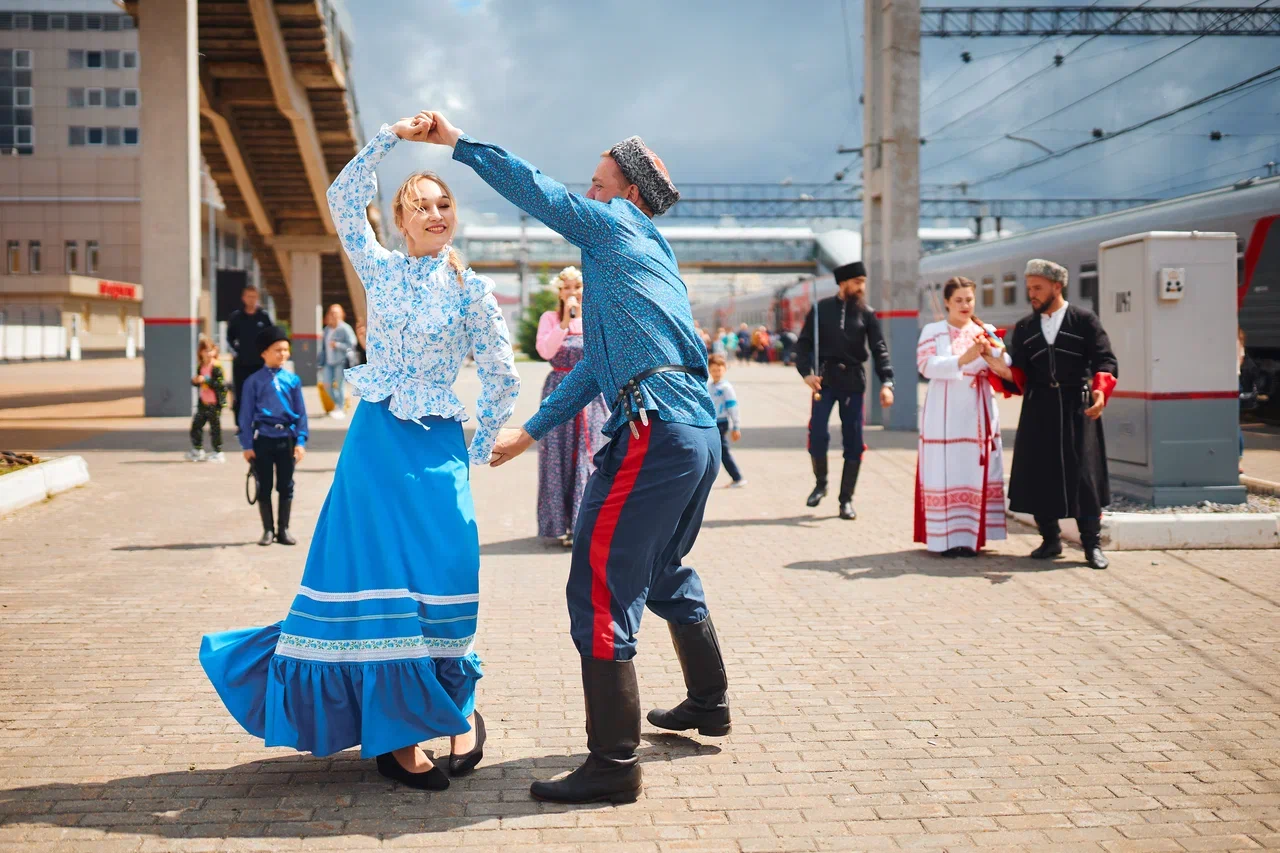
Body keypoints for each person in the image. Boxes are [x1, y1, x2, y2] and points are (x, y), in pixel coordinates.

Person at [200, 112, 519, 792]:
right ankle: (401, 740)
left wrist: (485, 442)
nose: (435, 214)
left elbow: (502, 371)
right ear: (401, 220)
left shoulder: (473, 290)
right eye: (421, 205)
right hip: (375, 447)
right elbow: (343, 199)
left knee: (446, 574)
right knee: (376, 585)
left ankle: (444, 703)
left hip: (436, 450)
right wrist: (388, 139)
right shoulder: (378, 268)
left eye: (443, 204)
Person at [421, 109, 729, 805]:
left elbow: (537, 191)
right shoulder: (645, 254)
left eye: (597, 183)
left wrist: (458, 144)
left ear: (627, 194)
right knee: (662, 566)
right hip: (695, 429)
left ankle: (613, 764)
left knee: (598, 583)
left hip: (655, 427)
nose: (585, 195)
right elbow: (593, 367)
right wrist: (530, 432)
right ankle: (709, 700)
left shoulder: (615, 225)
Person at [1004, 259, 1118, 571]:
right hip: (1039, 406)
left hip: (1076, 407)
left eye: (1037, 288)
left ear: (1057, 286)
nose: (1032, 294)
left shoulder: (1084, 320)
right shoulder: (1025, 327)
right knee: (1041, 473)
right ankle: (1050, 539)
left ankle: (1091, 545)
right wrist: (994, 361)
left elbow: (1105, 360)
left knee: (1084, 476)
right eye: (1029, 289)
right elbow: (1017, 373)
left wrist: (1100, 391)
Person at [914, 277, 1012, 557]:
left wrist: (995, 353)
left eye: (969, 299)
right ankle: (945, 538)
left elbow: (1006, 364)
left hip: (977, 409)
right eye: (958, 300)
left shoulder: (985, 329)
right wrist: (963, 359)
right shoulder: (934, 331)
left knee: (974, 469)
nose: (965, 305)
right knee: (946, 470)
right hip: (943, 413)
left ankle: (972, 538)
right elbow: (925, 366)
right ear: (946, 302)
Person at [794, 261, 894, 521]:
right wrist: (806, 373)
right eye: (857, 282)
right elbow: (803, 345)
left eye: (863, 281)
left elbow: (879, 349)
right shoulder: (820, 310)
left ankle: (846, 500)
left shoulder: (867, 314)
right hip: (824, 381)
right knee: (816, 433)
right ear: (843, 282)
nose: (862, 286)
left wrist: (887, 382)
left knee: (853, 441)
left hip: (852, 382)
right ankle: (821, 484)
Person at [535, 265, 609, 546]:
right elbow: (545, 352)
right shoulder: (550, 318)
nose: (572, 293)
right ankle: (560, 525)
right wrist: (564, 322)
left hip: (590, 392)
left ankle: (585, 524)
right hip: (559, 388)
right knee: (558, 456)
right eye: (566, 288)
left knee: (590, 454)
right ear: (560, 291)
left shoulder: (594, 317)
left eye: (576, 287)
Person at [236, 326, 308, 547]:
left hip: (286, 438)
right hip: (263, 440)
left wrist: (301, 441)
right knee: (264, 485)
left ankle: (283, 529)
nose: (283, 354)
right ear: (264, 353)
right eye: (277, 350)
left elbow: (301, 413)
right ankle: (268, 530)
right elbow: (245, 415)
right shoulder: (253, 382)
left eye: (285, 350)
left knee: (286, 485)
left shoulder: (293, 380)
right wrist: (247, 445)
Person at [226, 284, 273, 429]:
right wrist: (236, 351)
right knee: (241, 395)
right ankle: (242, 426)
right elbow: (229, 338)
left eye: (254, 297)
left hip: (260, 364)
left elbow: (271, 336)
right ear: (243, 298)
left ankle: (261, 423)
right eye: (248, 297)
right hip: (241, 364)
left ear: (257, 298)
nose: (251, 300)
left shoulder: (263, 317)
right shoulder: (236, 317)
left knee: (261, 394)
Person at [187, 334, 227, 463]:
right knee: (196, 426)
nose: (208, 353)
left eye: (211, 350)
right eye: (205, 350)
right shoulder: (201, 367)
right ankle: (198, 449)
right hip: (203, 402)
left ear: (215, 351)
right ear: (201, 352)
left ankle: (218, 452)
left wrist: (206, 380)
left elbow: (220, 385)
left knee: (215, 428)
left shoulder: (217, 367)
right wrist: (195, 381)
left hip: (214, 403)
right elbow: (198, 382)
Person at [707, 353, 745, 487]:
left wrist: (736, 426)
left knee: (722, 452)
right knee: (712, 451)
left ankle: (737, 477)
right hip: (711, 422)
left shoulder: (726, 387)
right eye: (713, 370)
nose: (716, 373)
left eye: (719, 370)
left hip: (721, 422)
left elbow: (733, 407)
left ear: (725, 369)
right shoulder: (709, 386)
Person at [321, 304, 357, 420]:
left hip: (340, 361)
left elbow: (352, 343)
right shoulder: (327, 329)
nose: (333, 315)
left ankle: (340, 408)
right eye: (331, 312)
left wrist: (337, 345)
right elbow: (323, 347)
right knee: (326, 385)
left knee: (339, 385)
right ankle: (339, 403)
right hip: (328, 361)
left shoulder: (345, 328)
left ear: (341, 314)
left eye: (336, 312)